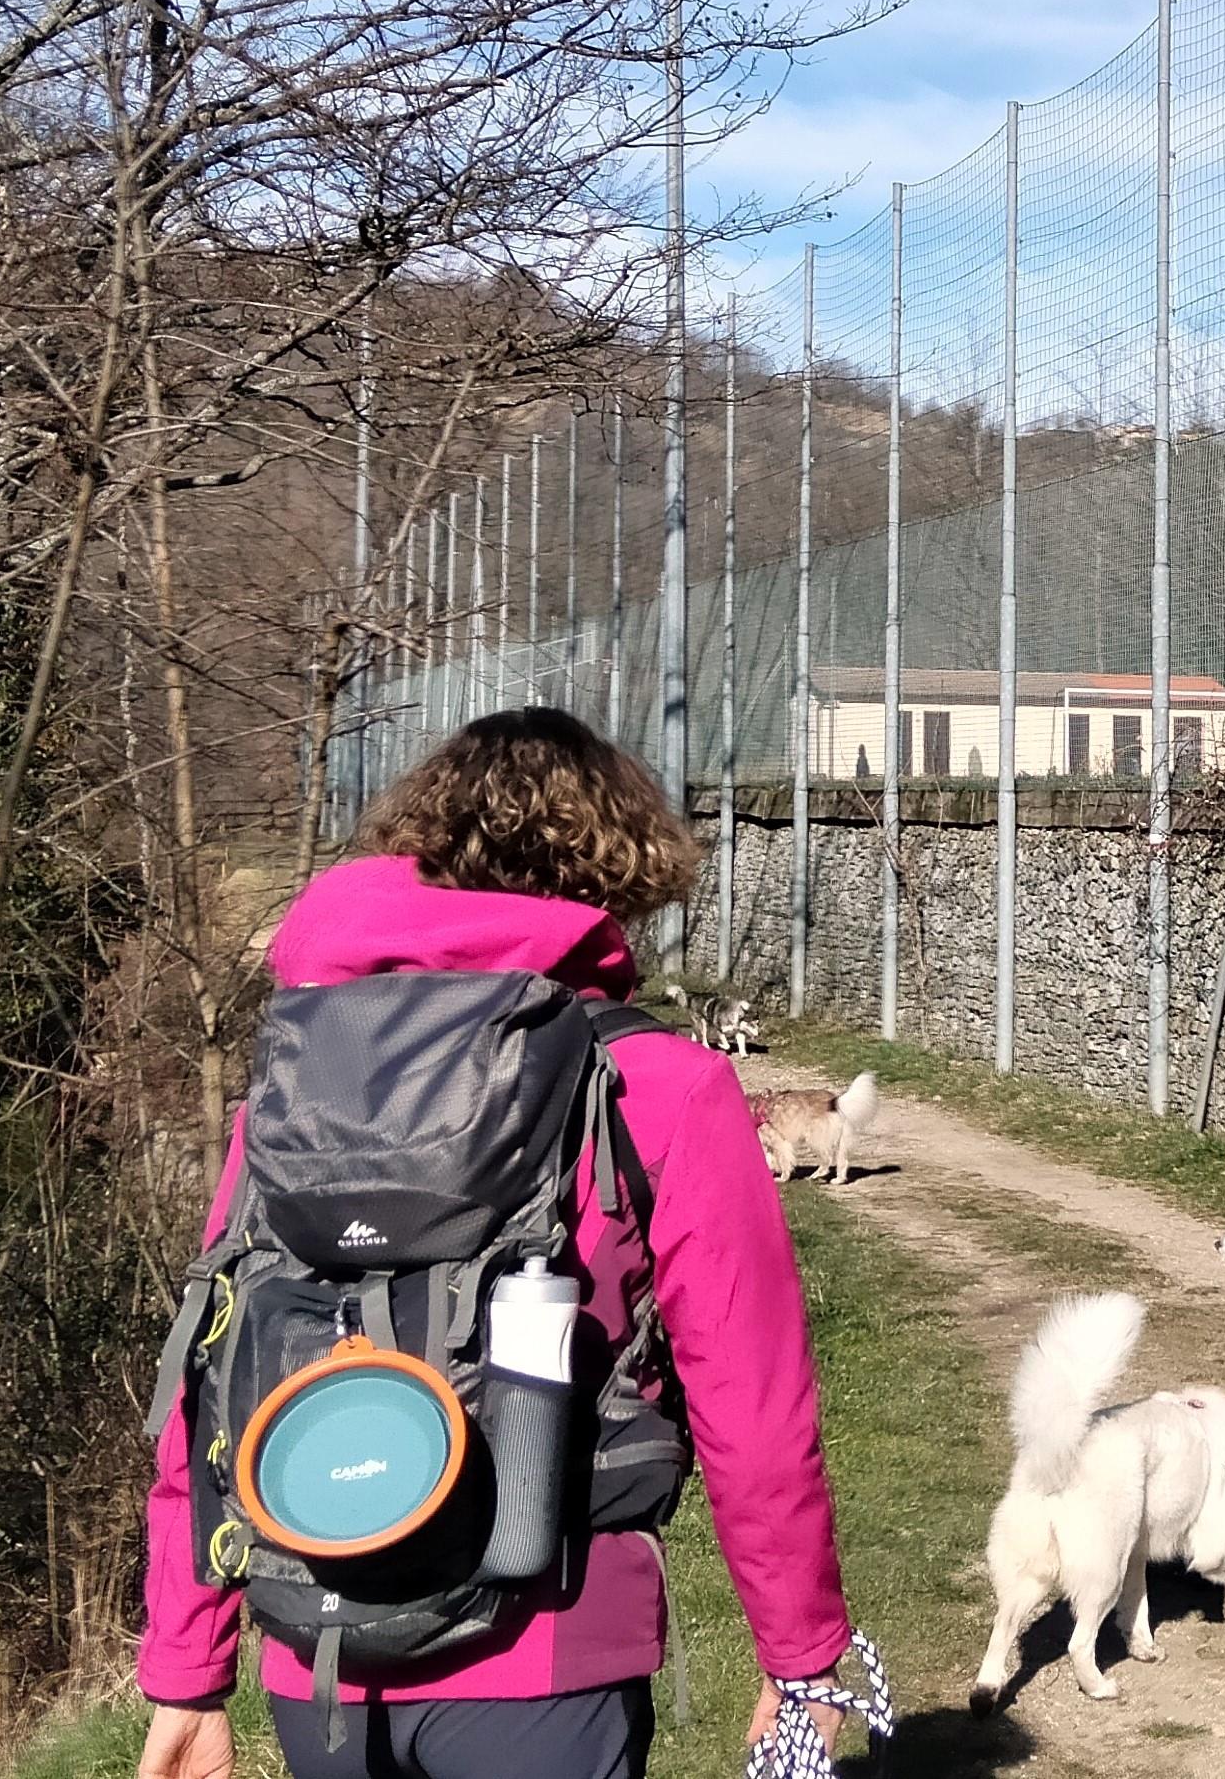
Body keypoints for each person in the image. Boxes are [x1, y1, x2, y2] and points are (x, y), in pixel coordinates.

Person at [136, 708, 853, 1779]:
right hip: (548, 1652)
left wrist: (186, 1672)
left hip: (319, 1646)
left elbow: (214, 1365)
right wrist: (802, 1658)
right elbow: (750, 1407)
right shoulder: (660, 1085)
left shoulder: (301, 1079)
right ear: (617, 875)